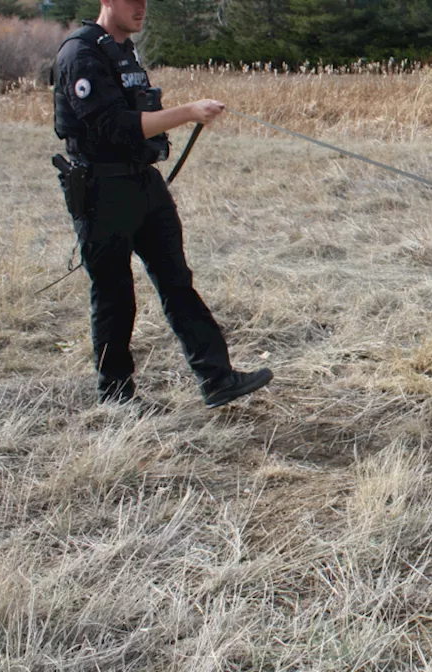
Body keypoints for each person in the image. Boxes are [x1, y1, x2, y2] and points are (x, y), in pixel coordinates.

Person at [52, 0, 272, 408]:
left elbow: (141, 111)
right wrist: (188, 112)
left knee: (177, 282)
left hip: (144, 183)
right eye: (131, 1)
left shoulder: (125, 51)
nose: (141, 9)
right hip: (103, 191)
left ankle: (217, 379)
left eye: (145, 1)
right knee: (115, 294)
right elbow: (115, 125)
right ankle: (116, 397)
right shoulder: (80, 53)